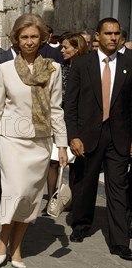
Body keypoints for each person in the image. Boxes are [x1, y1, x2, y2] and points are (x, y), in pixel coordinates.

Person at [0, 13, 68, 268]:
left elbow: (56, 109)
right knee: (14, 192)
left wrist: (62, 145)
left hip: (40, 143)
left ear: (42, 38)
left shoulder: (53, 69)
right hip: (11, 140)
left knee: (30, 197)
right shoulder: (5, 69)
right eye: (24, 37)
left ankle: (17, 247)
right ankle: (3, 239)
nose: (29, 42)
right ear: (16, 40)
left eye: (33, 37)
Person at [64, 18, 132, 261]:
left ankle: (120, 242)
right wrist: (73, 136)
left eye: (117, 33)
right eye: (108, 33)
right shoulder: (82, 64)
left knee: (118, 188)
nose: (113, 38)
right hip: (88, 135)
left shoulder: (129, 63)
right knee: (85, 182)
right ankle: (81, 224)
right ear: (98, 36)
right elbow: (69, 104)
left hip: (119, 136)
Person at [46, 33, 88, 201]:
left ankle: (71, 199)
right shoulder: (59, 68)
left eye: (66, 47)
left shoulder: (88, 68)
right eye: (61, 47)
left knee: (76, 163)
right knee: (54, 161)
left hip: (80, 121)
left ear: (77, 48)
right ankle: (52, 199)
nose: (62, 50)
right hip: (58, 120)